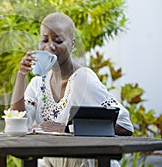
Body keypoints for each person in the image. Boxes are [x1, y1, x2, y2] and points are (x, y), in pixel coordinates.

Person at [10, 12, 134, 167]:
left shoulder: (83, 79)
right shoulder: (38, 83)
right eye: (44, 40)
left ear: (72, 44)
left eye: (58, 40)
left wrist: (66, 128)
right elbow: (17, 122)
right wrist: (21, 75)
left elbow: (124, 125)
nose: (50, 46)